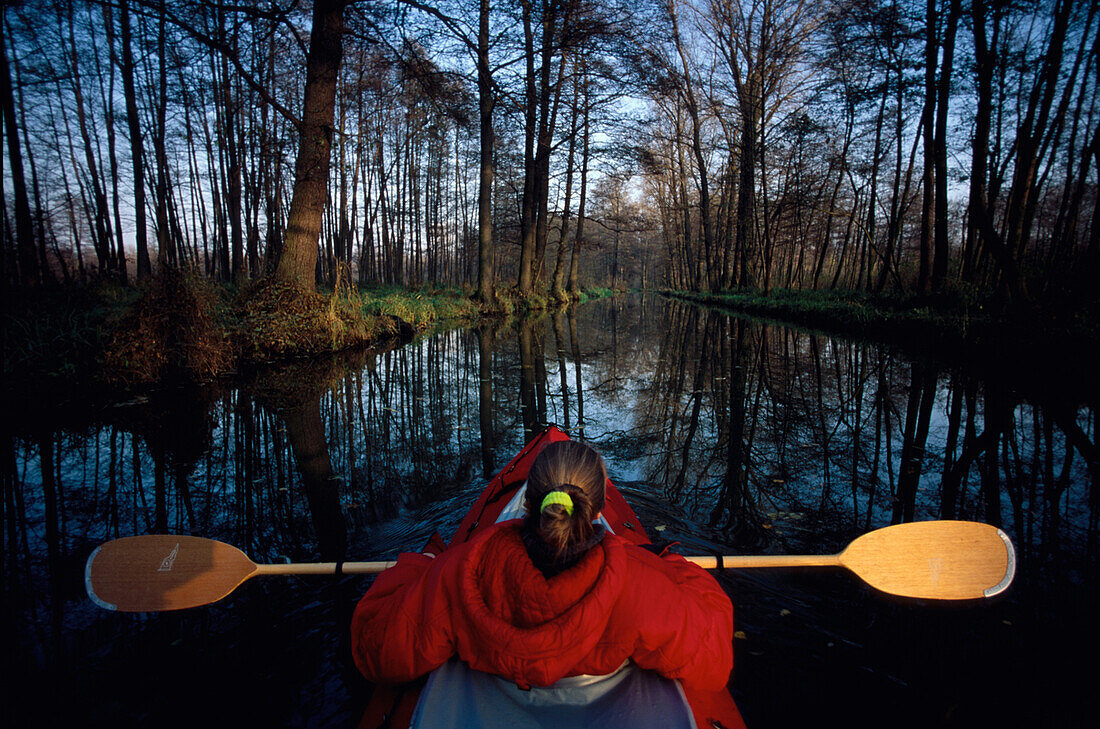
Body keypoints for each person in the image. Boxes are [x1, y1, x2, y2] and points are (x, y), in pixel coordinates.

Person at [350, 439, 733, 695]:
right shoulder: (640, 582)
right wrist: (672, 565)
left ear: (528, 508)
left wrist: (422, 566)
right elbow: (715, 660)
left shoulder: (462, 569)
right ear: (598, 512)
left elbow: (374, 648)